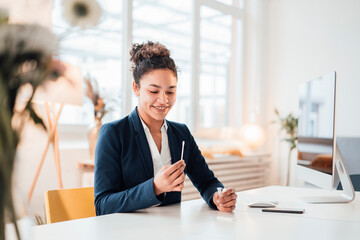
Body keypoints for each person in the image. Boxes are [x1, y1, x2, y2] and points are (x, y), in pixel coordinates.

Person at [94, 41, 237, 215]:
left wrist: (217, 197)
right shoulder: (114, 133)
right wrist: (154, 187)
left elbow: (207, 182)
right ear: (136, 88)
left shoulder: (181, 133)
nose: (163, 100)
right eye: (154, 92)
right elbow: (103, 205)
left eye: (170, 92)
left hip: (170, 229)